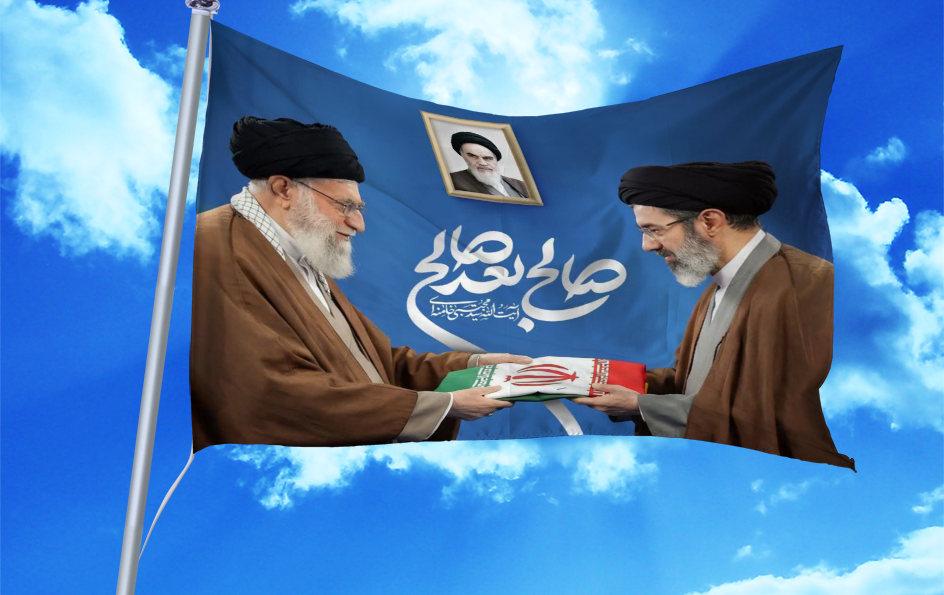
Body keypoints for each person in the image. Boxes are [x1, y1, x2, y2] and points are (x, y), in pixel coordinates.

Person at [191, 117, 529, 451]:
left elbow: (376, 366)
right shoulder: (209, 248)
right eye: (345, 205)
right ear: (283, 189)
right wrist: (443, 406)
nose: (358, 224)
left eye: (358, 207)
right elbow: (269, 393)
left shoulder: (295, 248)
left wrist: (474, 366)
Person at [572, 160, 854, 469]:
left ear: (710, 221)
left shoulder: (804, 284)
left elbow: (761, 417)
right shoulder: (720, 288)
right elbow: (692, 384)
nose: (647, 246)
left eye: (653, 230)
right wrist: (582, 376)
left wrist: (641, 405)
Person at [448, 131, 529, 198]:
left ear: (495, 160)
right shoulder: (452, 181)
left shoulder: (521, 185)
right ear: (464, 157)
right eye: (473, 156)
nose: (482, 163)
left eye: (488, 158)